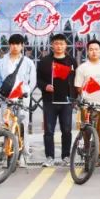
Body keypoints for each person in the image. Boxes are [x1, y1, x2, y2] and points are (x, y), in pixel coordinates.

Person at [36, 33, 77, 167]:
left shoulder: (71, 61)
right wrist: (45, 86)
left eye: (61, 44)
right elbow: (38, 79)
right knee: (49, 131)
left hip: (66, 102)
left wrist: (74, 98)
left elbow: (76, 80)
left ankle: (66, 156)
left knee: (67, 130)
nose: (59, 46)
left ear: (66, 45)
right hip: (50, 101)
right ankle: (50, 157)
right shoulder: (45, 61)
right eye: (56, 43)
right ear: (52, 45)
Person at [0, 33, 37, 157]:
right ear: (9, 45)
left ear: (22, 46)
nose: (15, 46)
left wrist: (26, 93)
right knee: (7, 125)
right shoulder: (1, 62)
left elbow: (32, 81)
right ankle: (7, 153)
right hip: (7, 98)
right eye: (12, 44)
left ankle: (23, 154)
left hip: (22, 98)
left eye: (18, 44)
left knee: (22, 126)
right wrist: (4, 93)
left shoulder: (28, 62)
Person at [74, 39, 100, 164]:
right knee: (86, 132)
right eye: (91, 49)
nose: (94, 52)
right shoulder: (82, 68)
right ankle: (86, 153)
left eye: (96, 49)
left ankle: (98, 156)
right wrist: (88, 89)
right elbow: (78, 87)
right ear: (87, 51)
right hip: (87, 105)